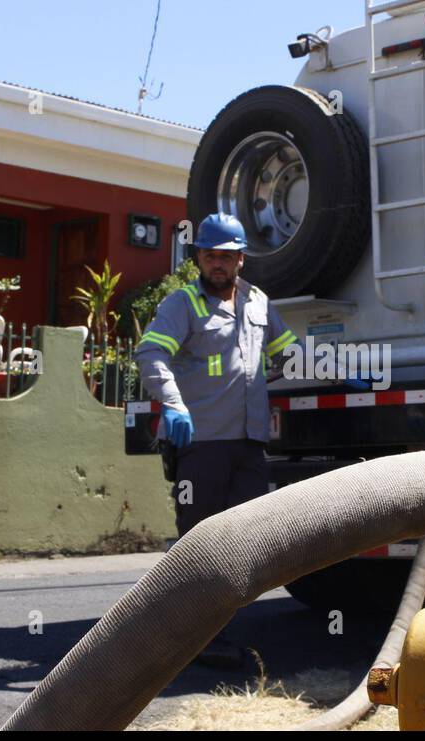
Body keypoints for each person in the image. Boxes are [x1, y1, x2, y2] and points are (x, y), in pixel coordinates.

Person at [134, 213, 296, 667]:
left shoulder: (259, 302)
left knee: (242, 541)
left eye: (226, 256)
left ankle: (217, 632)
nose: (218, 264)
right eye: (210, 256)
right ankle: (192, 639)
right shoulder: (182, 303)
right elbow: (150, 353)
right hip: (203, 443)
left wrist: (338, 369)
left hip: (248, 443)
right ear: (199, 258)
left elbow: (287, 350)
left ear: (241, 258)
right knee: (199, 542)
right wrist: (173, 404)